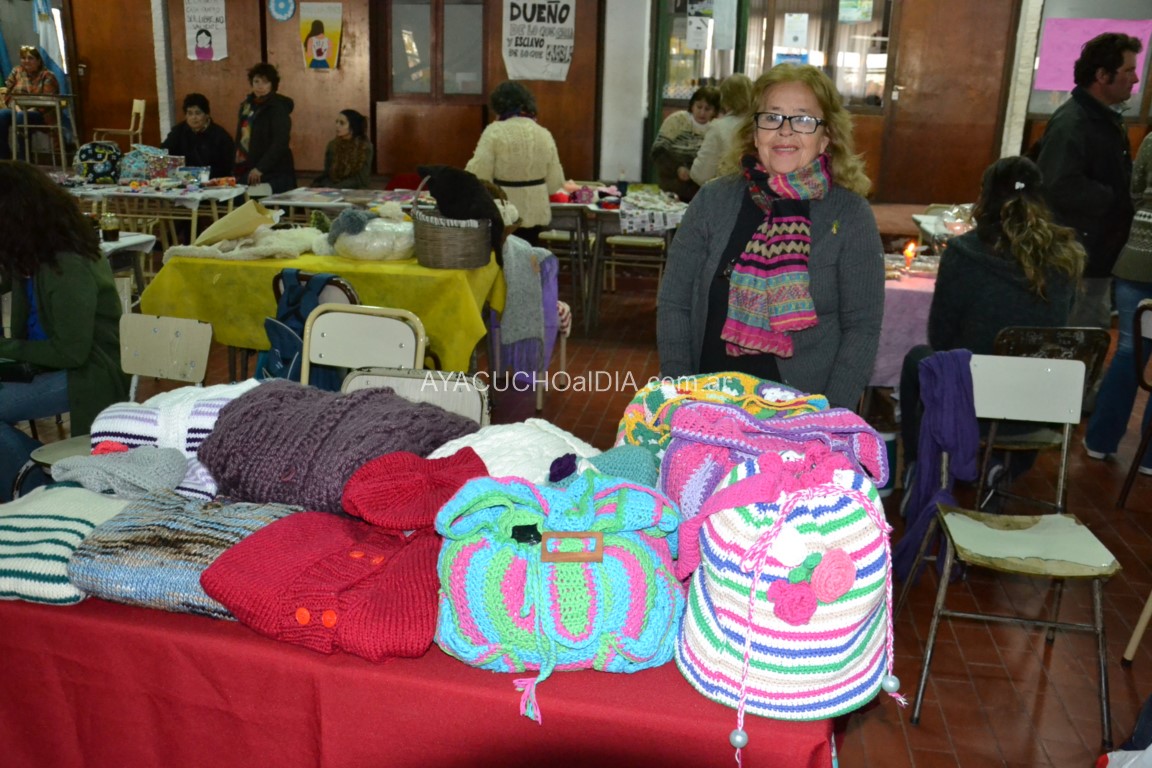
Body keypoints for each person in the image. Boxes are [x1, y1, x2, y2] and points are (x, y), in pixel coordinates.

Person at [658, 64, 884, 411]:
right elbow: (675, 302)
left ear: (826, 137)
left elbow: (862, 329)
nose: (785, 131)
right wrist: (678, 396)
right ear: (755, 132)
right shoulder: (713, 200)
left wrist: (827, 419)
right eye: (772, 117)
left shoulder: (851, 216)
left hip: (802, 418)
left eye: (803, 119)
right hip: (705, 408)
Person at [898, 156, 1084, 487]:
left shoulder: (963, 252)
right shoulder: (1067, 256)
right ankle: (998, 465)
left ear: (984, 198)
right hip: (1041, 406)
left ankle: (919, 470)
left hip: (972, 404)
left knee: (919, 359)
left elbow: (941, 338)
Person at [0, 161, 129, 502]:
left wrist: (6, 347)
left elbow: (71, 352)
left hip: (89, 372)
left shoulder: (66, 262)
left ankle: (38, 492)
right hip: (50, 366)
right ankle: (35, 483)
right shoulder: (30, 252)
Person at [1035, 32, 1142, 329]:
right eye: (1128, 70)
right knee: (1077, 336)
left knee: (1092, 328)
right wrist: (1116, 198)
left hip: (1098, 252)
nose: (1135, 79)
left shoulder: (1105, 118)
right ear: (1102, 75)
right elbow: (1057, 185)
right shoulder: (1073, 122)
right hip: (1078, 255)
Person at [1085, 131, 1152, 473]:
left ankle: (1099, 441)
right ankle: (1149, 459)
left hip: (1138, 256)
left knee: (1129, 352)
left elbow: (1135, 192)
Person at [465, 80, 566, 244]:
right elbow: (555, 183)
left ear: (498, 105)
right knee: (531, 255)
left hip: (506, 211)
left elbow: (479, 175)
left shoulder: (494, 131)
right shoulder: (544, 133)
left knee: (507, 255)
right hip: (537, 211)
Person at [234, 63, 297, 193]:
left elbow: (280, 142)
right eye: (256, 81)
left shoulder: (278, 107)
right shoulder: (247, 106)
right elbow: (240, 137)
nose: (260, 86)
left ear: (272, 84)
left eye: (265, 82)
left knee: (246, 196)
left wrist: (260, 168)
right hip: (247, 166)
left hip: (273, 171)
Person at [650, 85, 720, 202]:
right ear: (692, 105)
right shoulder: (677, 120)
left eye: (707, 109)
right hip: (672, 184)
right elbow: (658, 150)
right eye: (699, 107)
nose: (702, 112)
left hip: (699, 189)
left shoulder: (716, 128)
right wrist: (677, 168)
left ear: (714, 111)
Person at [690, 73, 753, 187]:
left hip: (727, 191)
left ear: (724, 98)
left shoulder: (719, 128)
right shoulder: (762, 124)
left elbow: (701, 174)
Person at [0, 45, 60, 161]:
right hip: (17, 109)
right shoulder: (17, 72)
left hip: (40, 113)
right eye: (23, 58)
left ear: (38, 61)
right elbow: (8, 95)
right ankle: (4, 158)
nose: (26, 61)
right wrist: (17, 108)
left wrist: (27, 111)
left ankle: (25, 158)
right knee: (1, 115)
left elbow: (48, 100)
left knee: (22, 116)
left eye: (30, 58)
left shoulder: (47, 75)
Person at [161, 93, 235, 179]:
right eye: (190, 113)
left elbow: (227, 167)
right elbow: (165, 152)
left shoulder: (221, 136)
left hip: (213, 181)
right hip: (183, 181)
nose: (194, 117)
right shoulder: (178, 132)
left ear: (207, 115)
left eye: (198, 113)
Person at [312, 109, 373, 189]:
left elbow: (360, 179)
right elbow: (328, 173)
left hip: (356, 190)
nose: (337, 125)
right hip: (334, 188)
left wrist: (335, 188)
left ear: (353, 126)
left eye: (342, 123)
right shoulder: (332, 145)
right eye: (336, 122)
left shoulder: (364, 147)